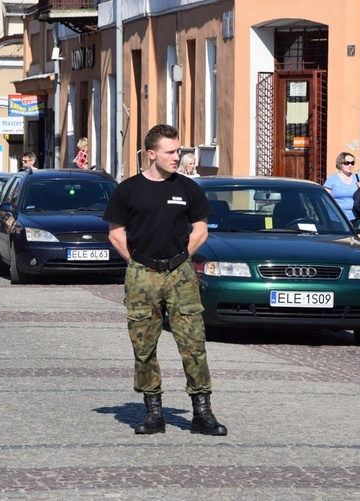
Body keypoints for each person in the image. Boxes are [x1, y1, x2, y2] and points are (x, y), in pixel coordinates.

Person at [103, 124, 227, 437]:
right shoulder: (128, 190)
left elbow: (201, 230)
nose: (177, 157)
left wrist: (181, 258)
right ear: (151, 153)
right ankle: (153, 412)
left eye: (178, 151)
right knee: (143, 343)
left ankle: (202, 412)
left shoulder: (188, 189)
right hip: (143, 273)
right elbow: (116, 233)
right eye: (170, 152)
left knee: (193, 342)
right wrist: (136, 263)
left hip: (180, 273)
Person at [323, 152, 360, 248]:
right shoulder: (332, 179)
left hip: (354, 217)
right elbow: (325, 198)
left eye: (352, 163)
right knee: (339, 243)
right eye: (347, 163)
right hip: (336, 218)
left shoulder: (356, 177)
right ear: (340, 163)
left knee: (352, 244)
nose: (350, 165)